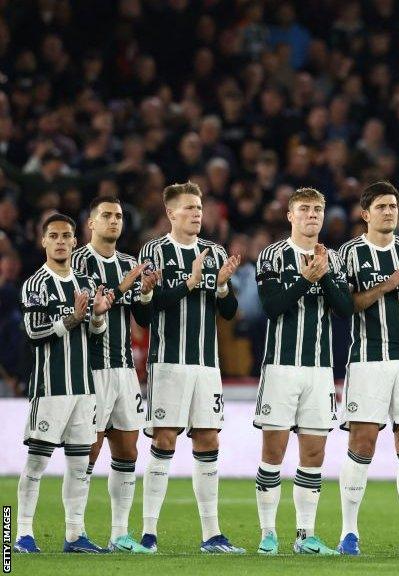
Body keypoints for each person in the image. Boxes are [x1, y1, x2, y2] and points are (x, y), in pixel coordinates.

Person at [138, 182, 243, 553]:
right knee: (164, 439)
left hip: (206, 366)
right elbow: (149, 309)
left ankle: (211, 535)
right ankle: (148, 533)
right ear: (170, 213)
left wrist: (224, 288)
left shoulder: (214, 253)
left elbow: (229, 314)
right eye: (188, 208)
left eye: (199, 207)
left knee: (208, 439)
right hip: (168, 362)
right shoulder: (155, 251)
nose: (197, 213)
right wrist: (191, 281)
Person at [336, 180, 399, 556]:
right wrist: (388, 284)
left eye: (393, 205)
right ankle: (349, 533)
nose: (389, 211)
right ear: (365, 214)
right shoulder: (348, 253)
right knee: (362, 441)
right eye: (381, 206)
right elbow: (346, 305)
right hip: (367, 360)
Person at [252, 188, 353, 555]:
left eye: (318, 209)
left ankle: (304, 536)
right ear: (290, 216)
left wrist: (323, 275)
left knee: (313, 455)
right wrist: (306, 279)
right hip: (280, 367)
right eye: (305, 209)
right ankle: (267, 533)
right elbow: (271, 306)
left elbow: (344, 309)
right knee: (273, 453)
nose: (312, 215)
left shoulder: (335, 258)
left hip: (320, 371)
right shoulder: (273, 256)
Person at [15, 213, 114, 553]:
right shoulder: (35, 284)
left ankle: (75, 534)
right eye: (53, 235)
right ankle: (22, 534)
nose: (60, 241)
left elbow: (96, 335)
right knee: (38, 462)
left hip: (83, 389)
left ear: (75, 241)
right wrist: (70, 319)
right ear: (43, 241)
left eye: (66, 236)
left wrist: (98, 314)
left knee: (78, 463)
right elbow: (32, 332)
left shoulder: (85, 284)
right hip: (50, 387)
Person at [70, 196, 158, 553]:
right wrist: (124, 288)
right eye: (106, 215)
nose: (113, 221)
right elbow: (90, 304)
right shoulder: (78, 261)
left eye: (118, 216)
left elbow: (142, 318)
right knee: (86, 452)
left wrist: (147, 294)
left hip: (124, 370)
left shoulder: (128, 262)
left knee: (127, 450)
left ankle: (119, 534)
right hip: (91, 370)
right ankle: (74, 533)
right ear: (91, 223)